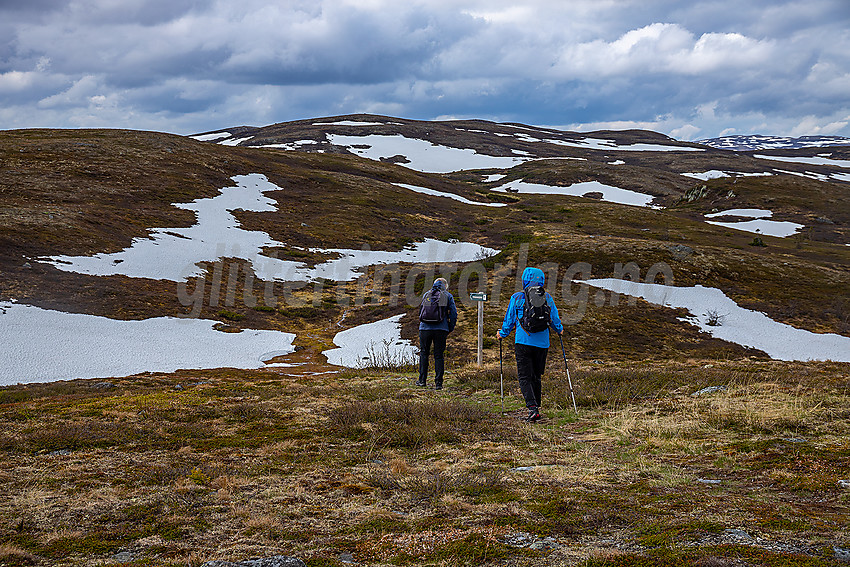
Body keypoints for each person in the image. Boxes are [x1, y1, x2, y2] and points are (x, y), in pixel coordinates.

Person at [497, 267, 563, 421]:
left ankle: (532, 408)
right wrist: (559, 330)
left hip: (523, 342)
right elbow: (554, 320)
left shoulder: (517, 297)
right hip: (542, 343)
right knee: (536, 375)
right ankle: (537, 406)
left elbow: (509, 320)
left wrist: (502, 333)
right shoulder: (547, 297)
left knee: (524, 377)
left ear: (525, 280)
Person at [417, 277, 457, 390]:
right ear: (445, 286)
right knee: (439, 355)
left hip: (424, 328)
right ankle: (438, 383)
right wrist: (450, 328)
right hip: (441, 329)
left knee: (424, 353)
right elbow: (453, 313)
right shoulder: (448, 296)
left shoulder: (426, 294)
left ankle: (422, 381)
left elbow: (421, 311)